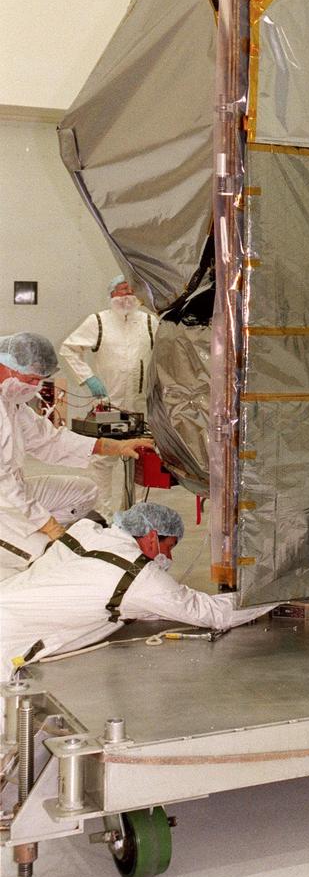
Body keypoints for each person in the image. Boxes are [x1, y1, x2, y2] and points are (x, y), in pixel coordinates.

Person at [1, 503, 276, 675]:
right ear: (152, 536)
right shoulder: (139, 578)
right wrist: (278, 590)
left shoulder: (84, 531)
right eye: (168, 548)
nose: (168, 559)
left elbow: (93, 589)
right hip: (8, 640)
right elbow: (214, 613)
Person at [0, 333, 153, 570]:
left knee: (84, 492)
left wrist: (113, 446)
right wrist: (47, 525)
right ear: (5, 365)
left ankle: (32, 537)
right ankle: (33, 547)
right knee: (39, 556)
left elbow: (49, 441)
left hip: (11, 493)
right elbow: (3, 483)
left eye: (38, 381)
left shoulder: (10, 401)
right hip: (4, 494)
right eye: (30, 379)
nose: (34, 387)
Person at [60, 276, 159, 517]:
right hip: (109, 404)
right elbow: (69, 349)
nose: (125, 294)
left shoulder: (149, 322)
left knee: (139, 458)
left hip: (141, 406)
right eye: (119, 290)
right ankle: (101, 516)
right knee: (103, 461)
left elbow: (167, 353)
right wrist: (88, 378)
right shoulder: (98, 321)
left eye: (130, 290)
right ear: (110, 295)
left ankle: (133, 514)